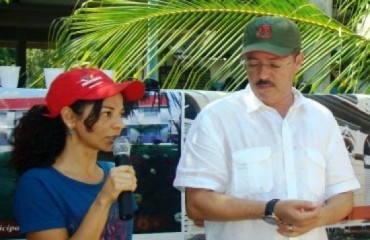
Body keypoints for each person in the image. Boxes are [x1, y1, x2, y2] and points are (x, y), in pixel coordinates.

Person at [173, 16, 360, 240]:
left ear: (299, 60)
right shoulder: (215, 119)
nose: (262, 75)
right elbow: (197, 204)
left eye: (274, 64)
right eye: (253, 64)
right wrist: (270, 208)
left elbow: (343, 197)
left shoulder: (320, 118)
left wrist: (316, 219)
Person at [11, 68, 145, 240]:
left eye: (120, 114)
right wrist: (103, 200)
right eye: (107, 113)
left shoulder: (113, 172)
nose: (119, 124)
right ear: (69, 117)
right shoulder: (38, 184)